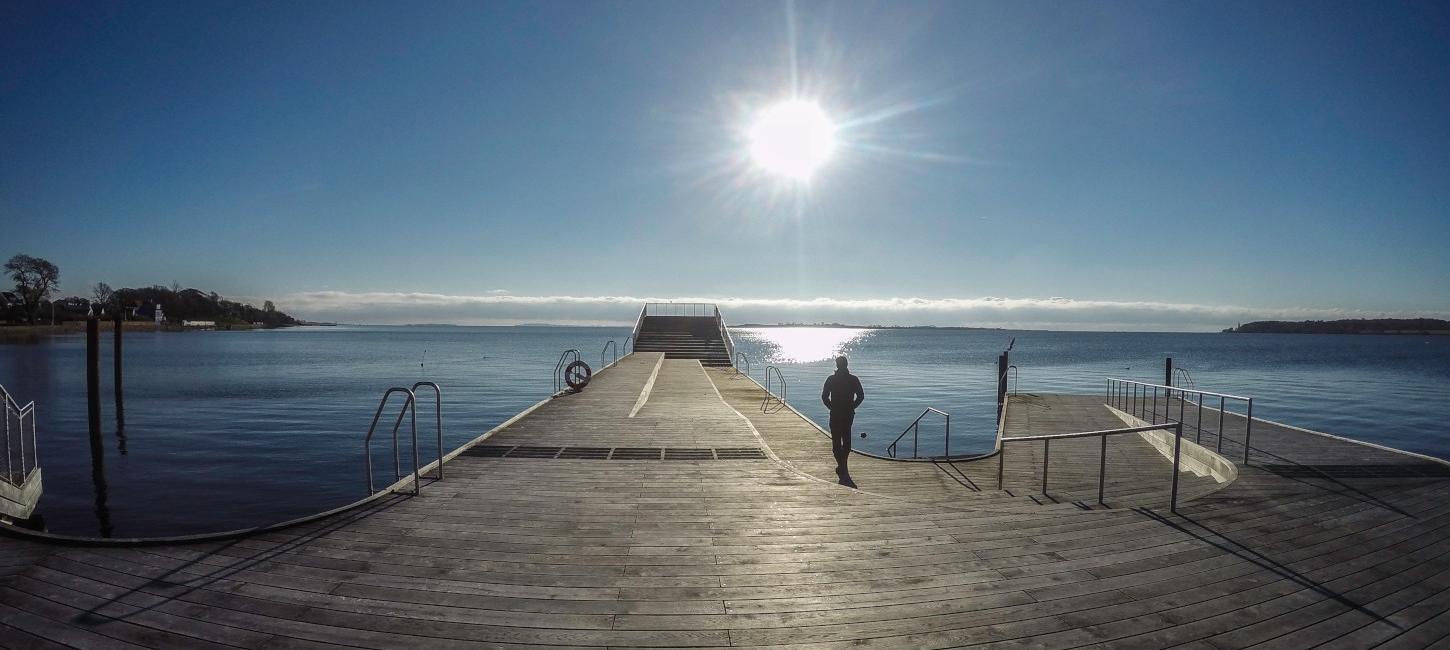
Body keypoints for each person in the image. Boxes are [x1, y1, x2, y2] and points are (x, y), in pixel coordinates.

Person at [820, 355, 865, 476]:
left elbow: (824, 397)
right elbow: (861, 396)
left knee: (836, 441)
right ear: (846, 365)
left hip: (835, 413)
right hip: (848, 413)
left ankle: (841, 465)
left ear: (837, 365)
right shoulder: (853, 379)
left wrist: (831, 407)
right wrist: (852, 406)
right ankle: (843, 464)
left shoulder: (831, 379)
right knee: (846, 438)